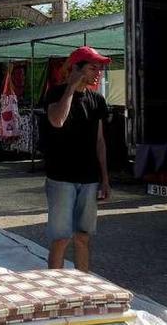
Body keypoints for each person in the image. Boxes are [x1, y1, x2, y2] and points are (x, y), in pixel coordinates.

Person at [41, 46, 111, 273]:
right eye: (93, 68)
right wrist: (71, 87)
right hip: (61, 178)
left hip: (89, 178)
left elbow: (100, 141)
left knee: (83, 237)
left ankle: (83, 288)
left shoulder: (98, 100)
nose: (98, 73)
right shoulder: (54, 94)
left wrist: (105, 178)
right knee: (61, 239)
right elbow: (57, 120)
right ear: (76, 69)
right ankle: (55, 291)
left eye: (100, 68)